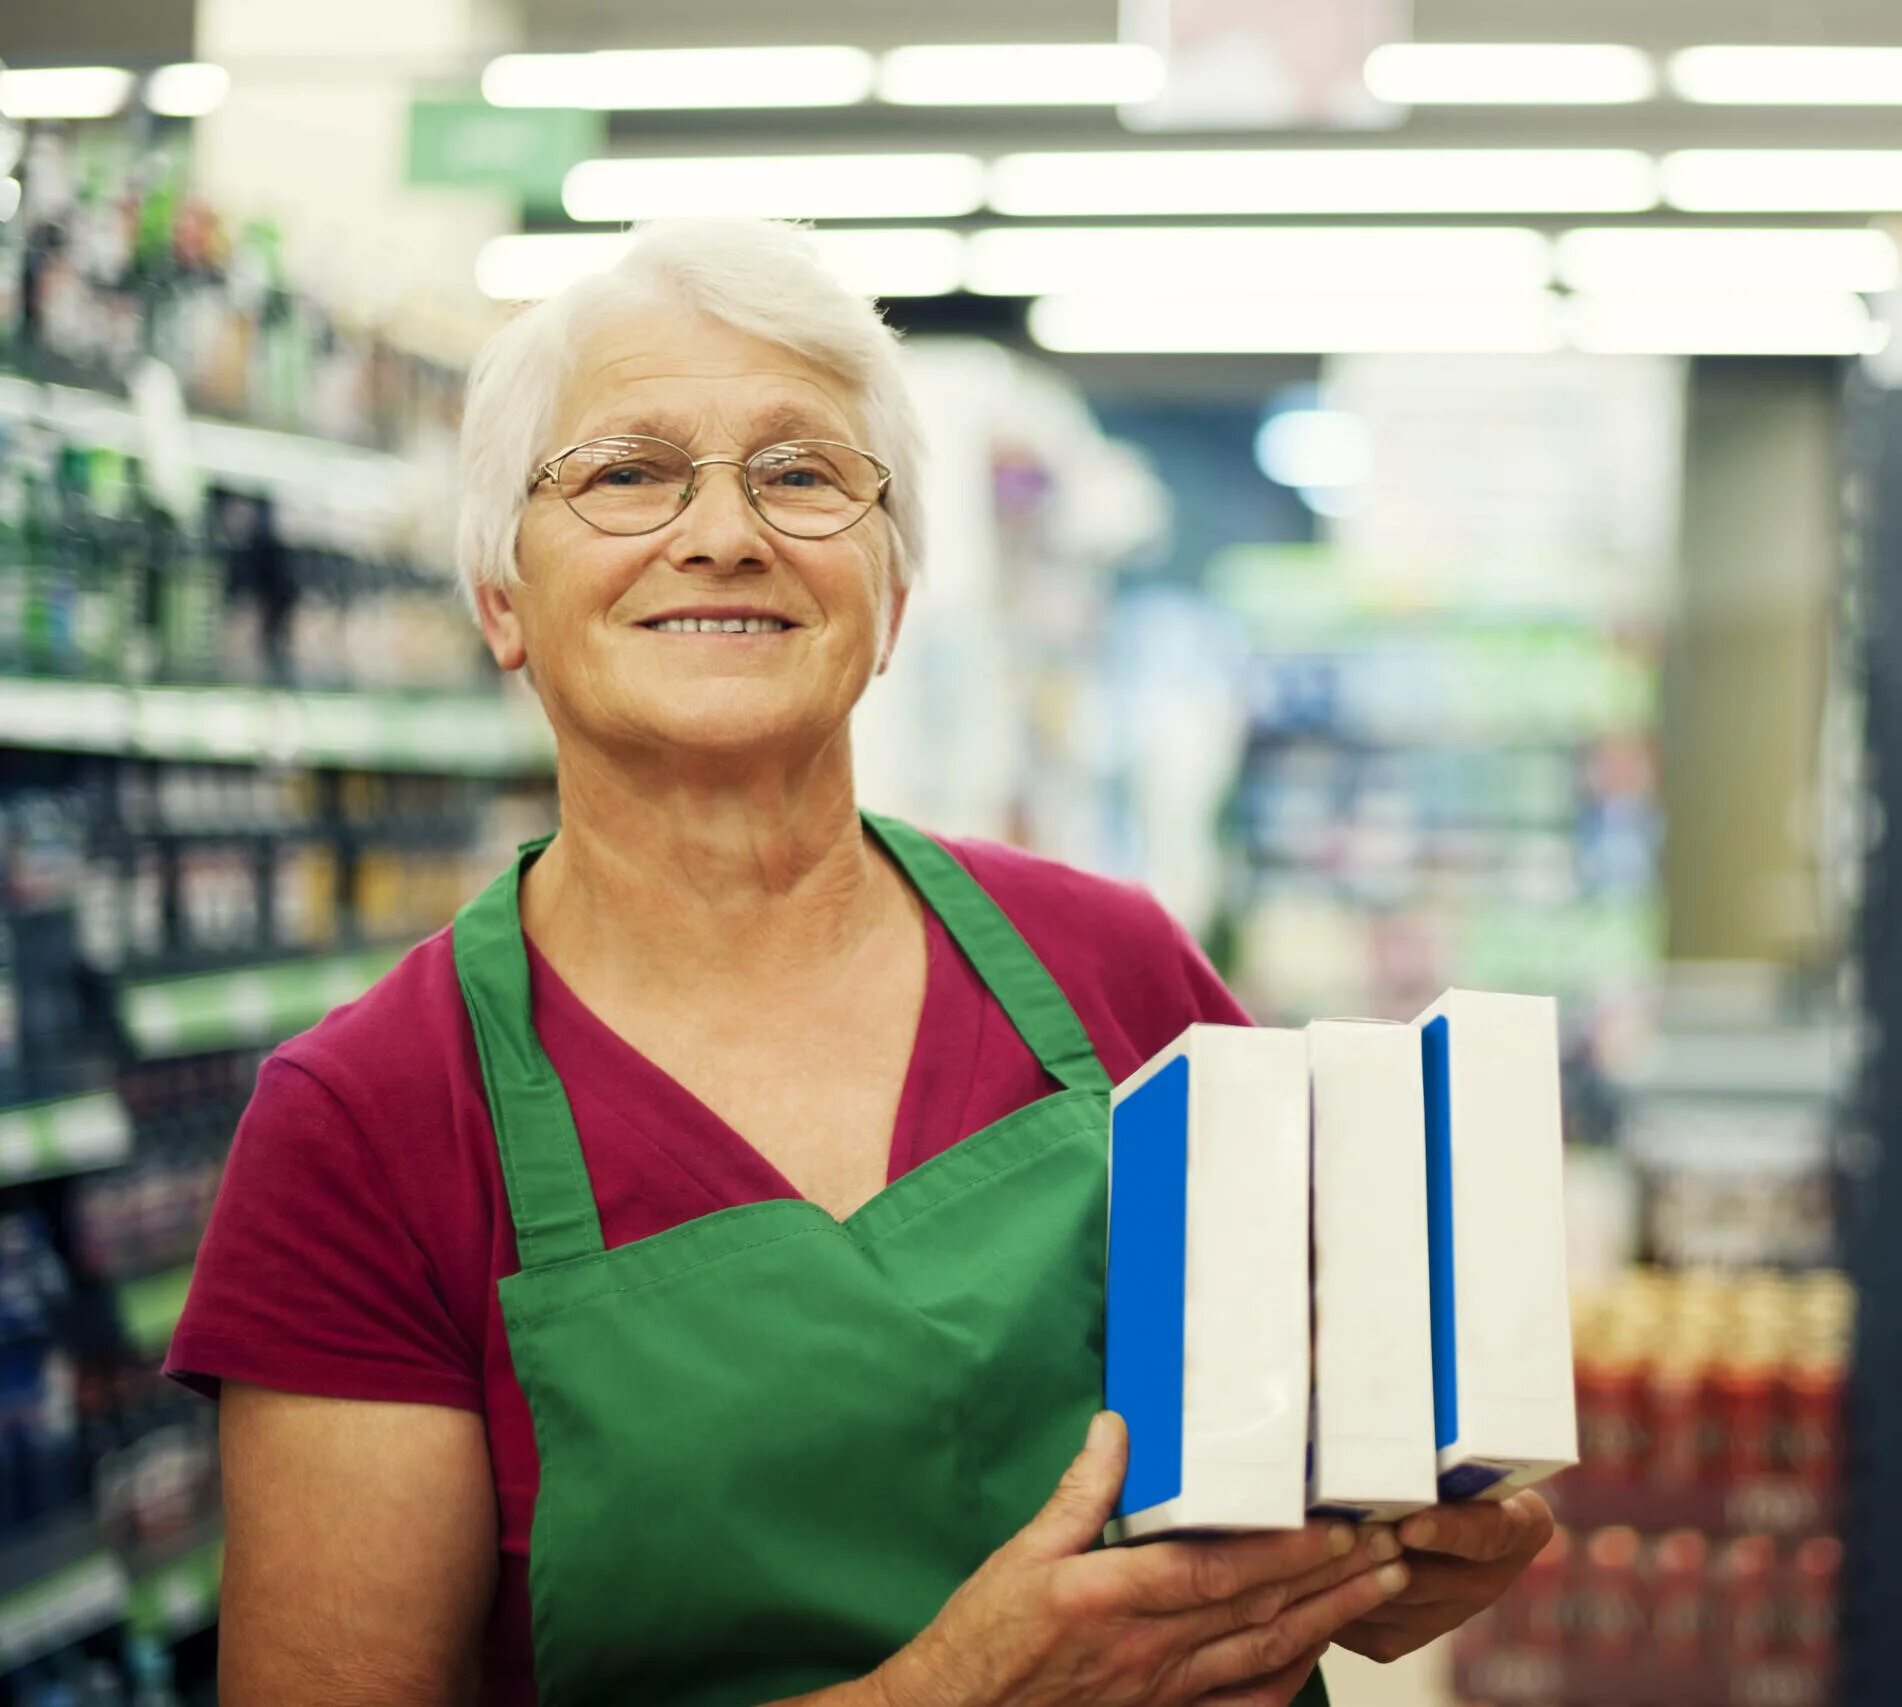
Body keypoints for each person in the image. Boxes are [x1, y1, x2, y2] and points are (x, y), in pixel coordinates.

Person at [167, 218, 1553, 1707]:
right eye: (627, 472)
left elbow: (1343, 1448)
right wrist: (948, 1694)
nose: (725, 532)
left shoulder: (1120, 974)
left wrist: (1408, 1544)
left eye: (803, 473)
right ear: (501, 595)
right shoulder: (369, 1122)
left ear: (891, 597)